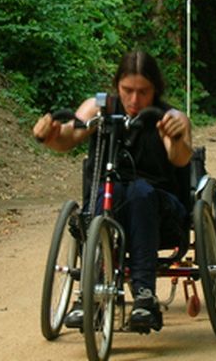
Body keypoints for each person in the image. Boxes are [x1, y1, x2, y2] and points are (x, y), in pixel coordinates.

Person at [32, 50, 193, 332]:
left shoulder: (169, 117)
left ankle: (145, 296)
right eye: (127, 90)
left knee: (139, 192)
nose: (134, 100)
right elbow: (70, 135)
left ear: (155, 89)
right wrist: (51, 134)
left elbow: (180, 158)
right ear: (116, 85)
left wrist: (175, 136)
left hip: (159, 207)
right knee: (113, 191)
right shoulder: (100, 107)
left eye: (143, 92)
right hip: (109, 199)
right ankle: (89, 296)